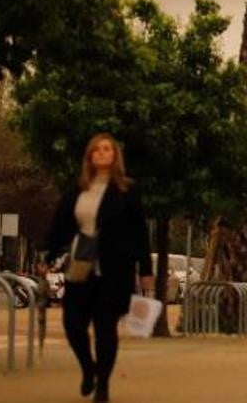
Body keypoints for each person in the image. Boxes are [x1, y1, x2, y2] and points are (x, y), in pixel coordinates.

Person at [45, 133, 153, 403]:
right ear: (90, 156)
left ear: (115, 156)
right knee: (73, 323)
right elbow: (60, 225)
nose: (103, 153)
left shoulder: (127, 191)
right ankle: (88, 369)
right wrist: (47, 254)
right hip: (81, 267)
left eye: (108, 149)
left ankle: (103, 384)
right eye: (98, 150)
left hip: (114, 269)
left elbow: (139, 232)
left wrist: (145, 269)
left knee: (105, 328)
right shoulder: (77, 190)